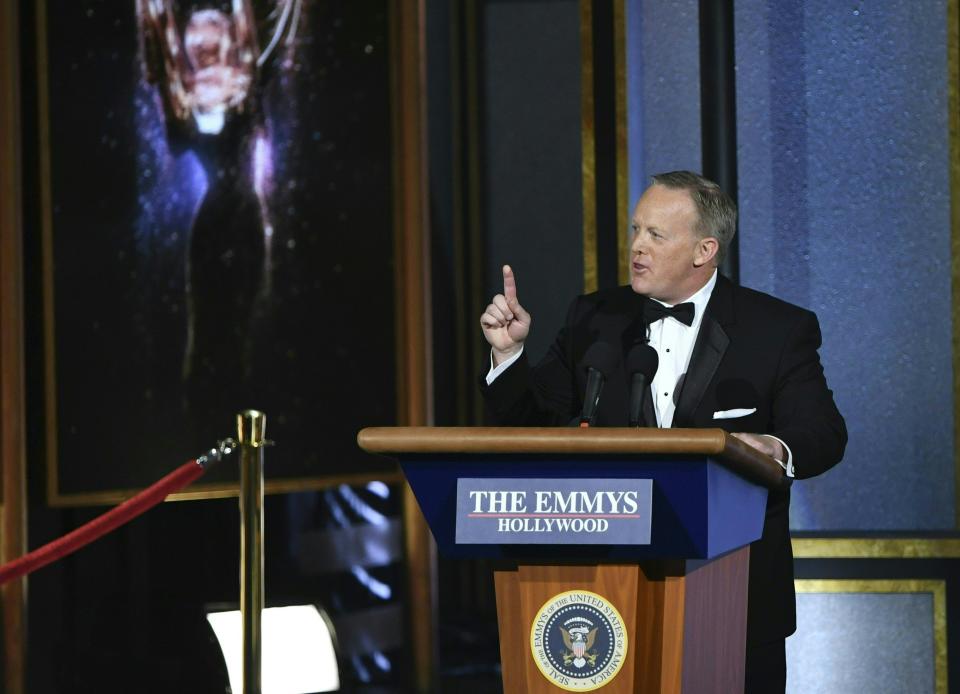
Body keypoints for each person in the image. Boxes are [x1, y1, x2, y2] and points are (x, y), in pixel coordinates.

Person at [478, 170, 846, 693]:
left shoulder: (778, 329)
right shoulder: (593, 317)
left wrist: (774, 448)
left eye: (656, 235)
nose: (637, 247)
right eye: (635, 231)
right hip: (604, 596)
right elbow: (530, 425)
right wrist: (508, 353)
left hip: (736, 596)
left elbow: (824, 433)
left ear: (705, 250)